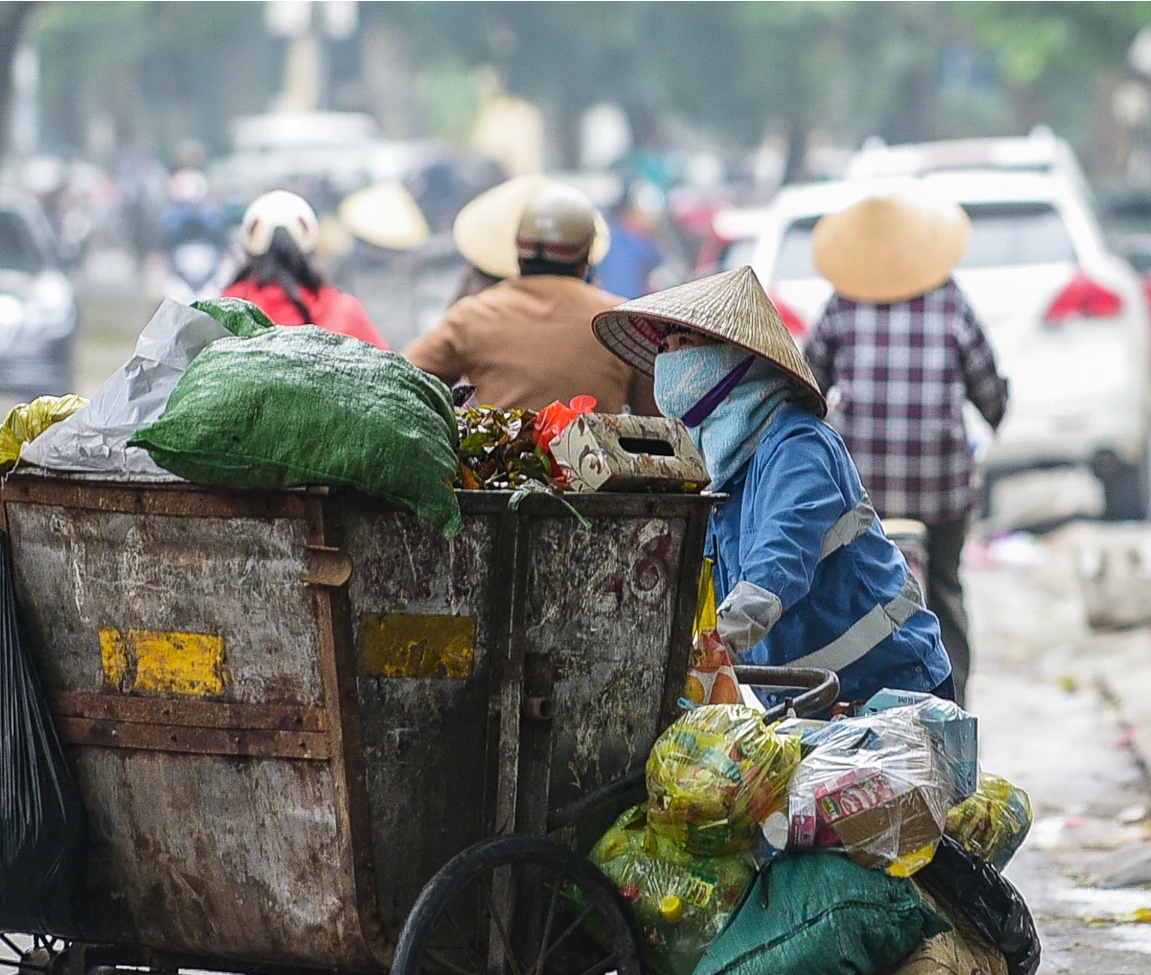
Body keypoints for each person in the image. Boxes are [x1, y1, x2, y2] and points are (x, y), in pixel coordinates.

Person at [596, 267, 952, 703]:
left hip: (892, 685)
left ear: (736, 356)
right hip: (811, 700)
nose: (670, 361)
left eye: (685, 345)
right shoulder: (717, 463)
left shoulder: (798, 445)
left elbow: (781, 556)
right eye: (665, 347)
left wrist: (711, 646)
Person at [802, 191, 1008, 694]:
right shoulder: (951, 300)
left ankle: (869, 693)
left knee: (858, 589)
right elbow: (989, 391)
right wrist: (995, 410)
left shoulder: (842, 305)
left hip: (861, 491)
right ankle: (954, 700)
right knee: (945, 586)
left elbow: (807, 384)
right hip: (941, 489)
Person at [404, 179, 652, 415]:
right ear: (586, 259)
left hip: (503, 461)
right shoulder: (624, 322)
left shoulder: (473, 315)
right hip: (597, 461)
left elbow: (400, 382)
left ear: (519, 254)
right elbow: (658, 421)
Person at [217, 191, 381, 344]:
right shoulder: (344, 311)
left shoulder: (224, 313)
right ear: (313, 248)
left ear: (247, 251)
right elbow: (388, 370)